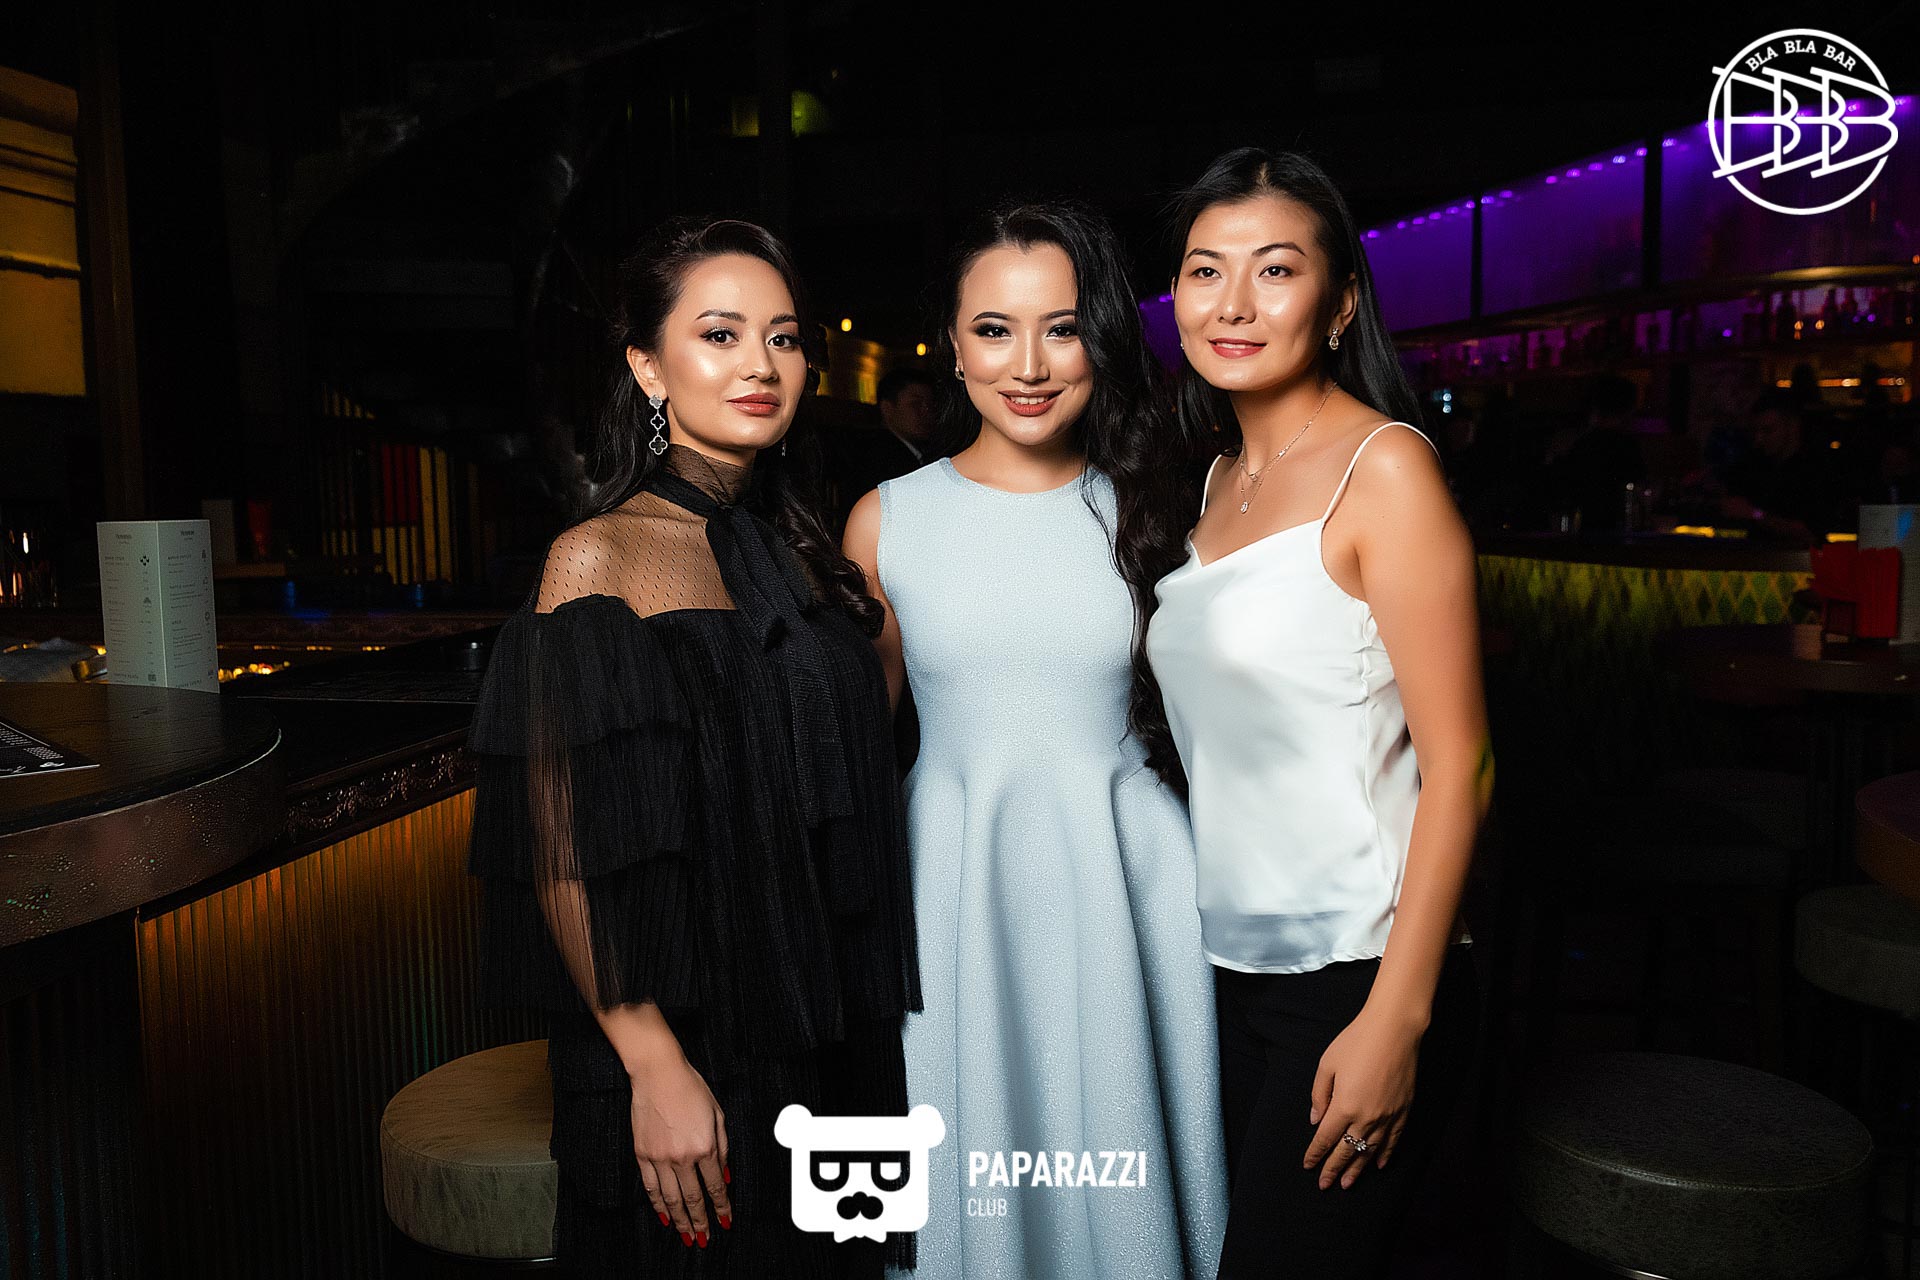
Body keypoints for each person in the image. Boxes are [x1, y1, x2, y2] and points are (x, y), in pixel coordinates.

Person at [466, 216, 922, 1279]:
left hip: (819, 1028)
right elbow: (565, 853)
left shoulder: (799, 551)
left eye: (783, 337)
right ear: (646, 366)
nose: (760, 364)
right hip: (686, 1042)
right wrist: (653, 1063)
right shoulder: (598, 556)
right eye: (720, 335)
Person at [841, 200, 1227, 1279]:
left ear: (1099, 338)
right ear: (952, 344)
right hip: (953, 885)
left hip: (1129, 881)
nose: (1029, 365)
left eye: (1061, 328)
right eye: (994, 329)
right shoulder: (887, 518)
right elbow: (857, 749)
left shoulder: (1162, 509)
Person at [1145, 147, 1489, 1279]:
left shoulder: (1385, 471)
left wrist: (1399, 1015)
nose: (1233, 303)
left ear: (1340, 303)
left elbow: (1463, 765)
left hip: (1356, 966)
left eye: (1277, 269)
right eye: (1206, 270)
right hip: (1226, 963)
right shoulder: (1212, 482)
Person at [1717, 388, 1849, 540]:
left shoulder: (1817, 470)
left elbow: (1811, 532)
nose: (1758, 439)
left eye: (1767, 430)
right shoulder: (1755, 465)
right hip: (1760, 553)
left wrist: (1754, 514)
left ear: (1793, 427)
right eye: (1755, 431)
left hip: (1798, 554)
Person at [822, 368, 940, 534]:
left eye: (930, 404)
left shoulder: (925, 454)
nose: (926, 412)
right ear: (888, 408)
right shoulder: (878, 459)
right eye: (916, 404)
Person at [1539, 374, 1647, 533]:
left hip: (1582, 531)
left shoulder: (1579, 445)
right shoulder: (1627, 446)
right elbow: (1639, 490)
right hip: (1617, 532)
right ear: (1629, 409)